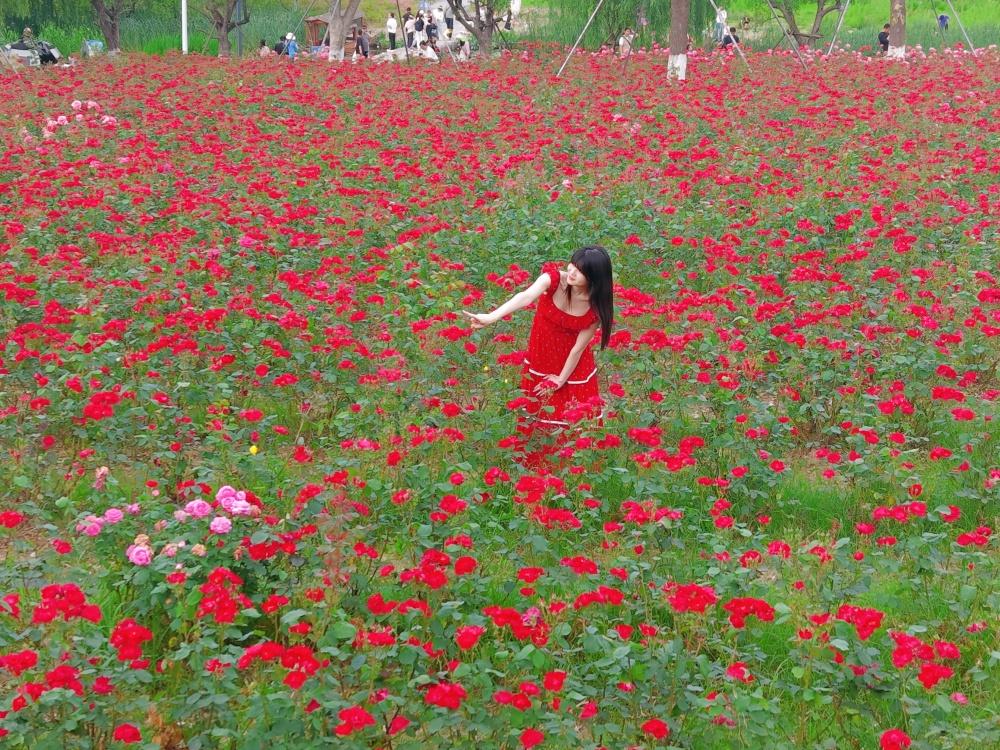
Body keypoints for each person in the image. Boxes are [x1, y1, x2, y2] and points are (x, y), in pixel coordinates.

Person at [462, 246, 614, 433]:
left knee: (575, 426)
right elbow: (525, 297)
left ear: (595, 277)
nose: (572, 272)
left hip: (572, 367)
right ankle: (537, 464)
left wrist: (560, 379)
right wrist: (490, 317)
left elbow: (578, 349)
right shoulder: (554, 279)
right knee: (537, 420)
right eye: (573, 265)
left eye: (581, 270)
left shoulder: (595, 308)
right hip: (541, 357)